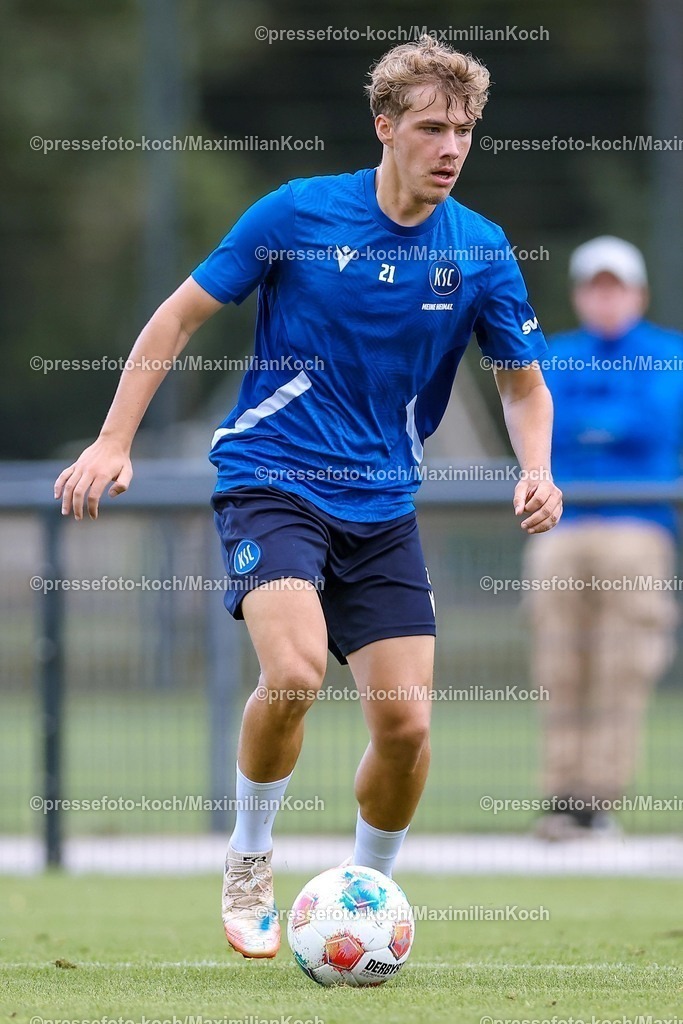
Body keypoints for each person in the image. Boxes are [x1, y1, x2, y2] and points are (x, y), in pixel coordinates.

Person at [54, 35, 562, 958]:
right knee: (291, 674)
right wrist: (114, 439)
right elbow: (176, 316)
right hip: (272, 480)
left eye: (463, 132)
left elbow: (521, 381)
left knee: (406, 730)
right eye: (430, 128)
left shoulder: (481, 251)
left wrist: (535, 468)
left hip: (383, 510)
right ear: (384, 128)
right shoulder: (296, 214)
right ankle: (250, 857)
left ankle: (365, 895)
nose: (450, 148)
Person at [527, 236, 682, 841]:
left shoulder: (666, 354)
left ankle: (599, 801)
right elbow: (545, 424)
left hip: (638, 529)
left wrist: (591, 427)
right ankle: (563, 798)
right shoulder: (556, 354)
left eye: (616, 287)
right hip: (561, 526)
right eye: (595, 286)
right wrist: (605, 428)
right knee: (559, 662)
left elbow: (650, 425)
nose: (606, 298)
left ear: (638, 294)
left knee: (623, 665)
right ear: (579, 294)